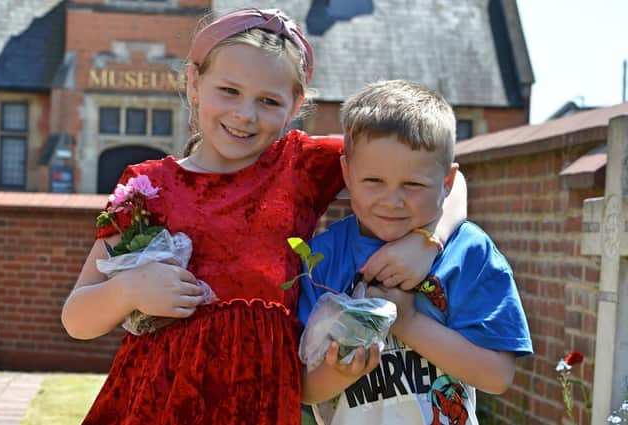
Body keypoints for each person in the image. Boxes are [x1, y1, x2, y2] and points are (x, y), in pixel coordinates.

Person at [61, 9, 467, 425]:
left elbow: (445, 173)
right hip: (155, 403)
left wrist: (427, 239)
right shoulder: (146, 187)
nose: (245, 115)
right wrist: (129, 288)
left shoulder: (301, 166)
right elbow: (77, 318)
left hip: (261, 401)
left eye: (269, 101)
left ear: (296, 104)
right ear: (194, 83)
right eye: (229, 91)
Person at [298, 80, 533, 425]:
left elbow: (497, 376)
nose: (392, 201)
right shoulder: (321, 259)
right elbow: (303, 388)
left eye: (413, 185)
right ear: (347, 173)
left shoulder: (468, 253)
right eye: (374, 181)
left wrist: (407, 322)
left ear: (447, 182)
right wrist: (340, 372)